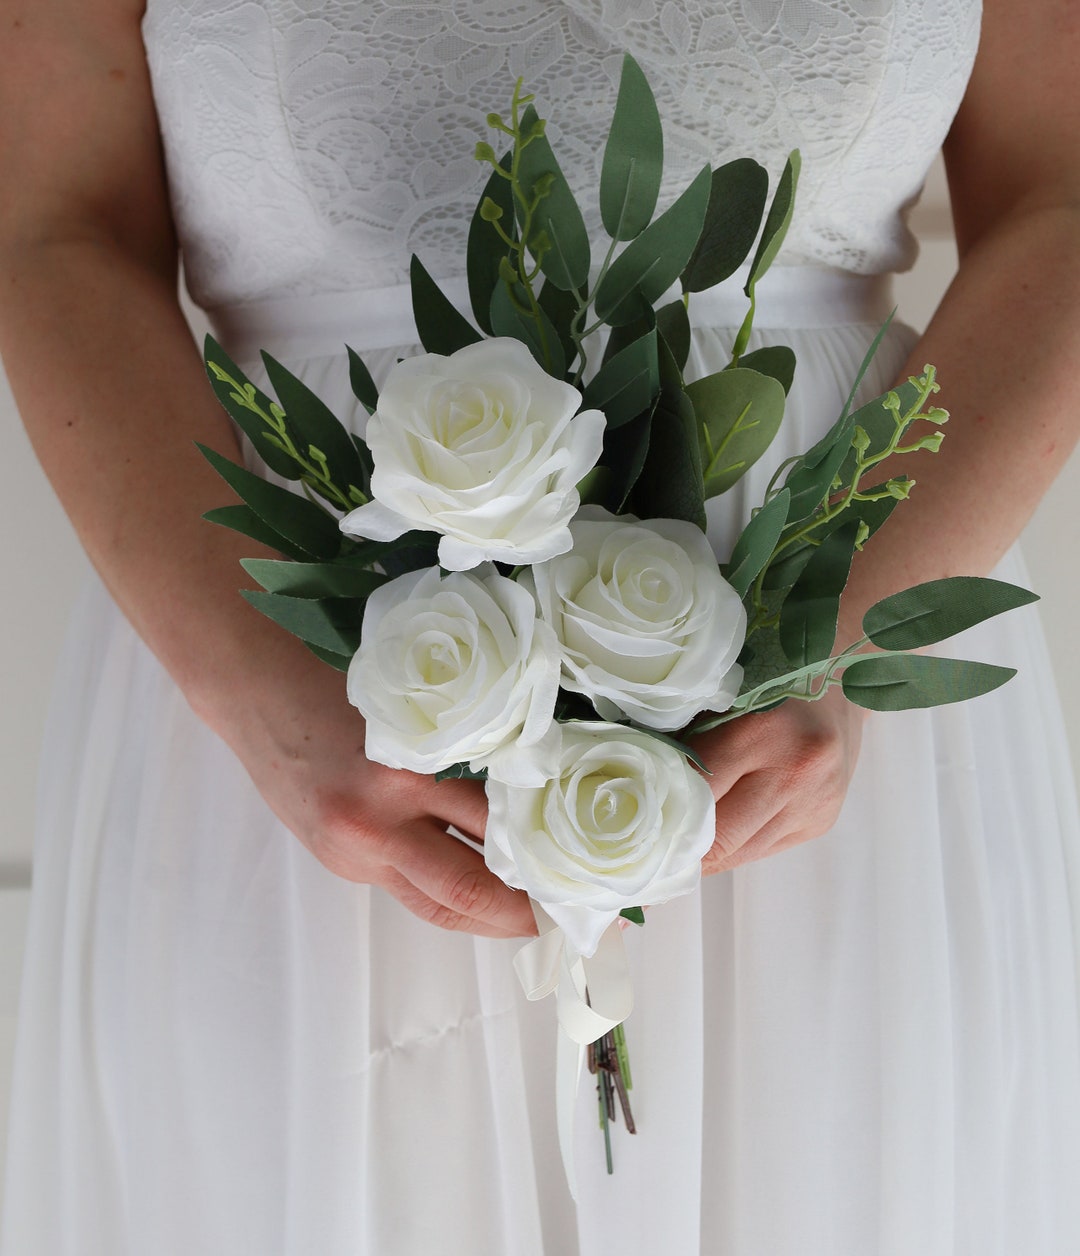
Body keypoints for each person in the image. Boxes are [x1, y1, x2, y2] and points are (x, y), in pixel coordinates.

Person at [2, 0, 1079, 1251]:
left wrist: (845, 642)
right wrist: (255, 685)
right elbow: (56, 225)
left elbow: (1059, 200)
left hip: (837, 703)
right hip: (298, 703)